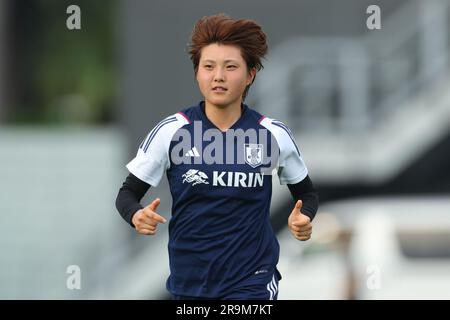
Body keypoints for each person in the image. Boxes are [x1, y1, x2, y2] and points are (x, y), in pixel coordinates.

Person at [115, 13, 319, 300]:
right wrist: (137, 214)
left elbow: (307, 194)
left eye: (230, 66)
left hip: (253, 281)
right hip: (189, 284)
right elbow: (127, 194)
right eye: (208, 66)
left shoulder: (272, 134)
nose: (218, 76)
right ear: (197, 73)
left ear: (250, 74)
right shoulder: (173, 131)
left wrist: (304, 218)